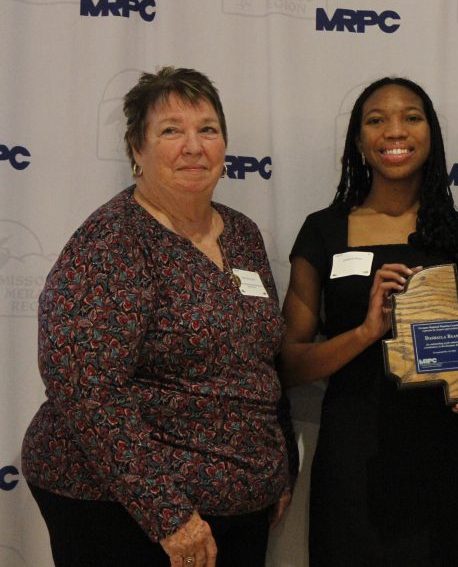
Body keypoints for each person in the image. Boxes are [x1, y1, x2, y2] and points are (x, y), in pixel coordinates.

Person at [21, 67, 294, 567]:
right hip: (123, 512)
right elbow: (86, 389)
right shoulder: (113, 242)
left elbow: (259, 362)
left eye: (207, 129)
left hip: (236, 506)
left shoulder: (242, 234)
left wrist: (277, 472)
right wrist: (167, 515)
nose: (193, 146)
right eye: (171, 130)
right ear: (136, 150)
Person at [280, 77, 458, 566]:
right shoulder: (323, 231)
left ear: (431, 133)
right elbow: (289, 365)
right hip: (354, 456)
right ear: (358, 140)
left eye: (411, 117)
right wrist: (365, 333)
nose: (395, 131)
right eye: (376, 120)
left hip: (443, 458)